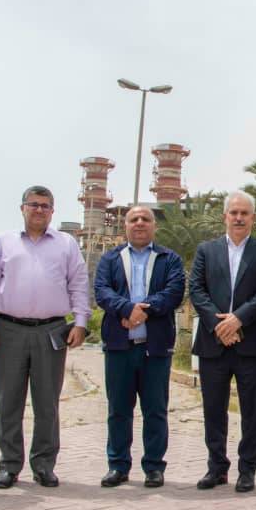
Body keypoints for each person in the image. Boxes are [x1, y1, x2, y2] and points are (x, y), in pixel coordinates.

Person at [0, 186, 89, 490]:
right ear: (22, 208)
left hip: (52, 331)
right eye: (33, 204)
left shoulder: (66, 244)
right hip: (8, 330)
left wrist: (80, 322)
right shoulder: (3, 242)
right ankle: (9, 465)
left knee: (47, 403)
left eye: (45, 206)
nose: (39, 210)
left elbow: (79, 284)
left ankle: (44, 465)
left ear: (52, 211)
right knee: (8, 402)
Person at [189, 190, 256, 493]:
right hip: (212, 343)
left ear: (253, 218)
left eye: (244, 213)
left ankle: (247, 469)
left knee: (252, 410)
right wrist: (219, 325)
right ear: (224, 216)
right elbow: (196, 289)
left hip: (250, 342)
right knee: (213, 409)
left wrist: (238, 319)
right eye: (234, 213)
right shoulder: (206, 250)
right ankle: (216, 467)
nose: (239, 218)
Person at [94, 206, 186, 489]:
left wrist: (143, 311)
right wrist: (127, 308)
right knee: (118, 410)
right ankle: (118, 465)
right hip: (119, 348)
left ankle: (154, 467)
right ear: (125, 226)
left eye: (145, 219)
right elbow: (102, 291)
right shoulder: (110, 259)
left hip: (154, 348)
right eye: (133, 219)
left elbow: (174, 292)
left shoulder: (169, 259)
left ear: (154, 226)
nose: (139, 223)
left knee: (155, 411)